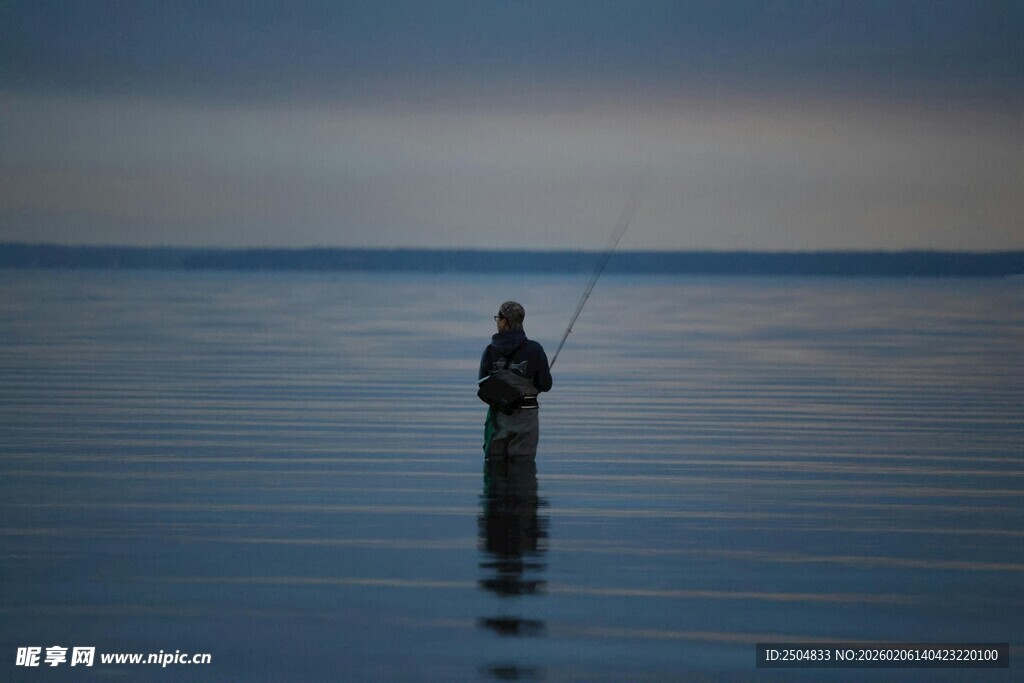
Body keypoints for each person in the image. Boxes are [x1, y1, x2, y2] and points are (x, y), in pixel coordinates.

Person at [479, 301, 552, 461]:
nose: (497, 321)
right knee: (523, 471)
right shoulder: (535, 349)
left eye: (498, 318)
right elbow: (545, 385)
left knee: (494, 467)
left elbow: (482, 385)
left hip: (498, 418)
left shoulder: (490, 351)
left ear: (504, 321)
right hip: (526, 419)